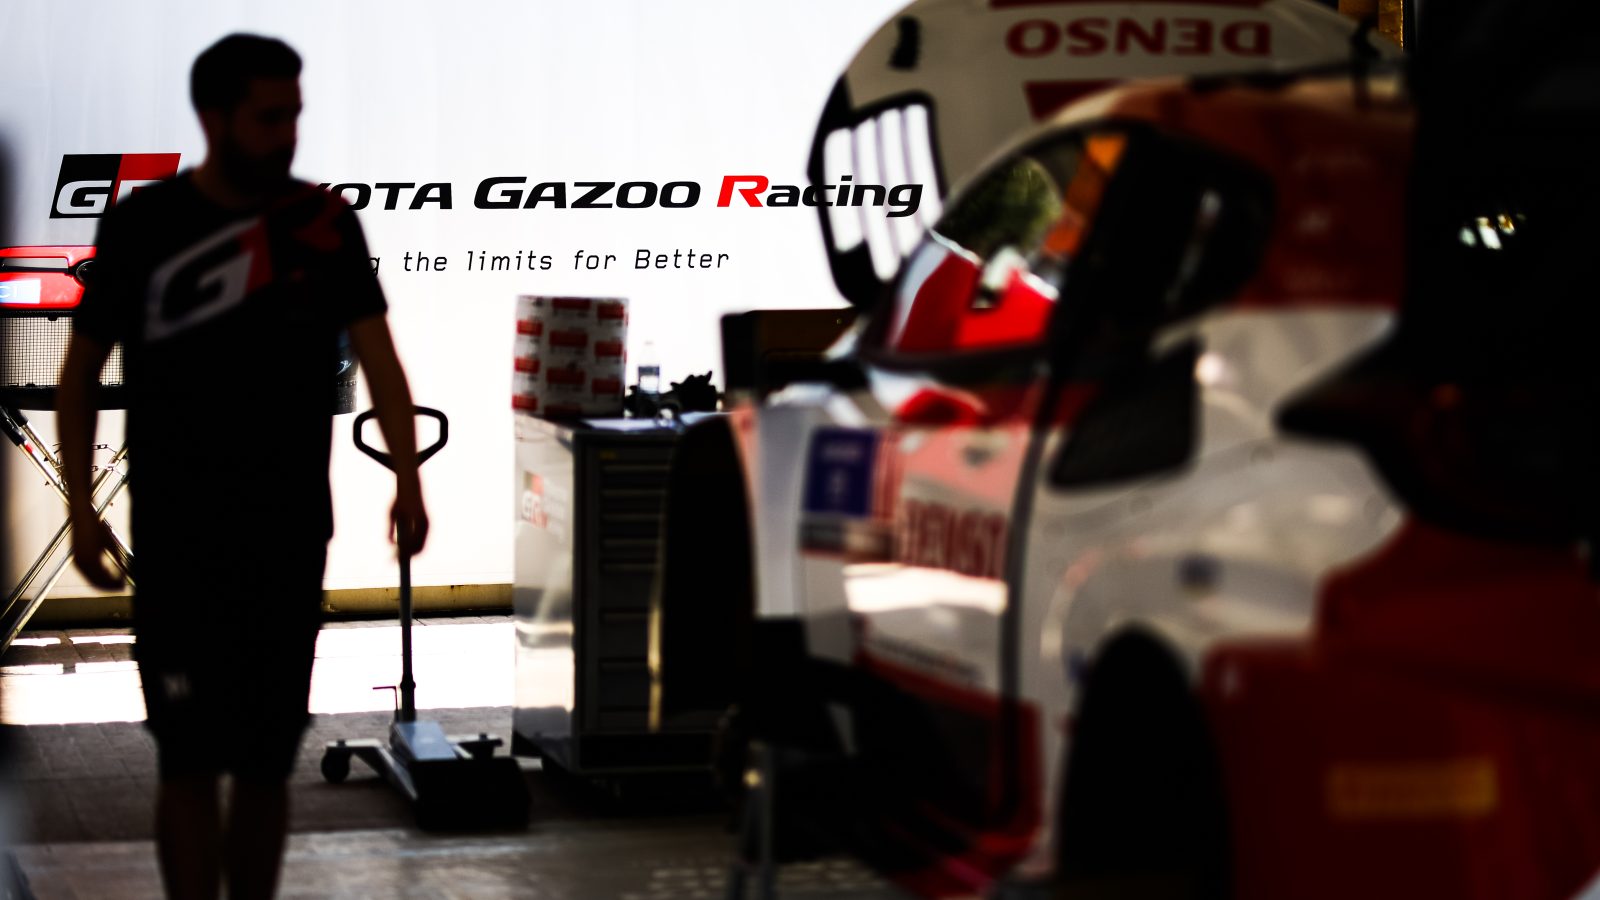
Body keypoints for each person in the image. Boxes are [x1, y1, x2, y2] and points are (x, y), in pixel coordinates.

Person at [55, 34, 427, 900]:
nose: (289, 133)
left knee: (264, 764)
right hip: (178, 542)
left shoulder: (325, 223)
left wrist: (408, 479)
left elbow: (381, 361)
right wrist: (80, 506)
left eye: (295, 114)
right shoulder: (144, 224)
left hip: (289, 538)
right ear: (213, 117)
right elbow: (80, 374)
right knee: (186, 762)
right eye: (270, 116)